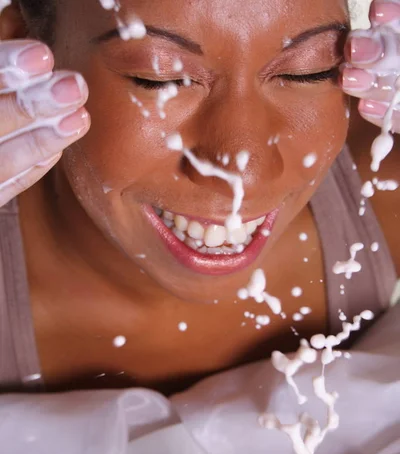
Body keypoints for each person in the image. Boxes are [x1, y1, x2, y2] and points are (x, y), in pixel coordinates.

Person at [0, 0, 399, 396]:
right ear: (22, 44)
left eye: (309, 71)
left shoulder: (381, 179)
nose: (241, 173)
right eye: (160, 78)